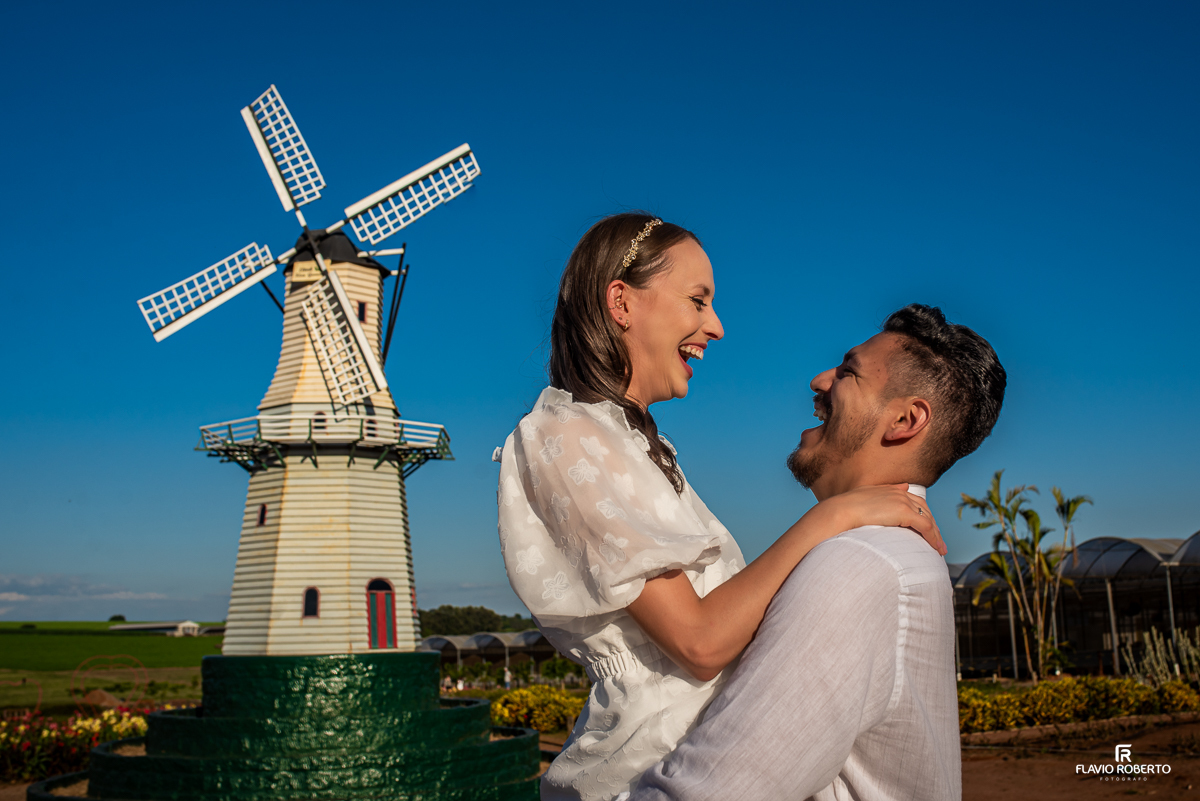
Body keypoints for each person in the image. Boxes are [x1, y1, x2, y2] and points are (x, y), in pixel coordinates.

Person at [495, 213, 945, 801]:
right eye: (697, 300)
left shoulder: (632, 442)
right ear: (621, 302)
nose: (717, 326)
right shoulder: (564, 435)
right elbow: (699, 642)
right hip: (647, 766)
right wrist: (836, 515)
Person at [629, 304, 1006, 801]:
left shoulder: (860, 564)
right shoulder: (890, 553)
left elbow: (715, 790)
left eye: (848, 372)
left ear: (904, 420)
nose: (819, 380)